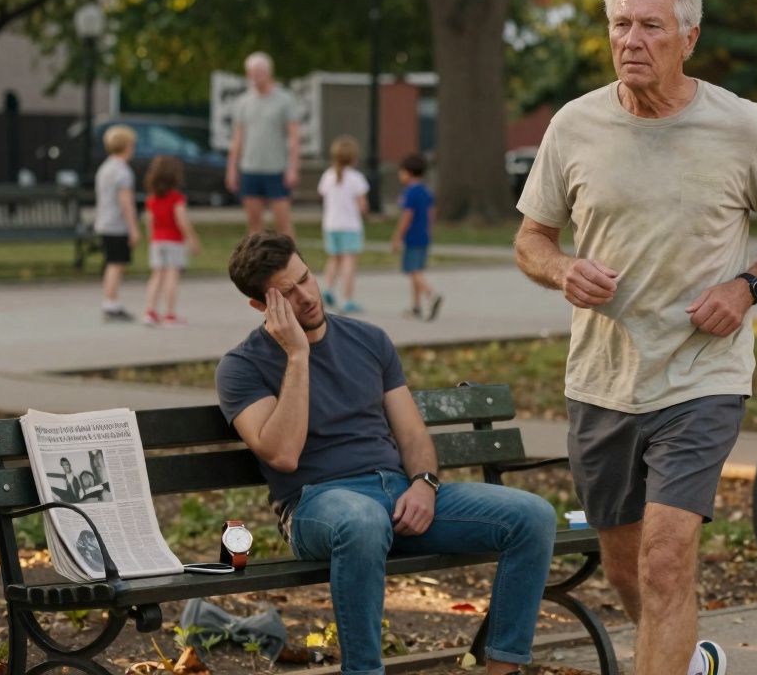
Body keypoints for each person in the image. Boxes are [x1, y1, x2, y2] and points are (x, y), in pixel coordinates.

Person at [513, 0, 757, 675]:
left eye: (651, 25)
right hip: (603, 378)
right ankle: (685, 660)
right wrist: (563, 269)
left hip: (701, 377)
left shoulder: (740, 127)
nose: (632, 40)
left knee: (665, 559)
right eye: (621, 24)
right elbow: (531, 239)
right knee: (627, 570)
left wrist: (744, 288)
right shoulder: (575, 125)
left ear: (690, 37)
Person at [215, 231, 555, 675]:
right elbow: (282, 455)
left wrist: (425, 485)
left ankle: (502, 670)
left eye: (306, 279)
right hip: (317, 504)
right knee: (362, 520)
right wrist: (297, 356)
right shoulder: (242, 366)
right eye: (287, 293)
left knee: (533, 517)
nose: (306, 297)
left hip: (396, 496)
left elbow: (412, 434)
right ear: (262, 307)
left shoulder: (368, 339)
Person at [225, 52, 300, 237]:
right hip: (250, 168)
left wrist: (293, 167)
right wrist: (232, 169)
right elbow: (237, 140)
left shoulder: (285, 100)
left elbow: (294, 137)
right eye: (251, 72)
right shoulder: (243, 102)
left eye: (259, 71)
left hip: (276, 169)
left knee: (283, 224)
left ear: (269, 72)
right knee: (254, 225)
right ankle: (255, 265)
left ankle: (294, 264)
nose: (255, 76)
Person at [142, 155, 202, 327]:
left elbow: (150, 222)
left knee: (156, 275)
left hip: (157, 241)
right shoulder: (176, 198)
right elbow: (181, 221)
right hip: (174, 241)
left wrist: (152, 239)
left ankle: (150, 312)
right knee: (171, 276)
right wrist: (193, 239)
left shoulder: (151, 199)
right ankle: (169, 314)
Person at [317, 135, 369, 314]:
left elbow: (323, 196)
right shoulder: (356, 178)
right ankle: (348, 299)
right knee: (348, 262)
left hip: (331, 225)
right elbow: (363, 205)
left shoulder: (328, 175)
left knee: (334, 259)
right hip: (350, 226)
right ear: (354, 158)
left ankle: (328, 289)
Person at [93, 124, 140, 322]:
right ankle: (111, 304)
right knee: (116, 263)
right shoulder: (123, 172)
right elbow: (126, 203)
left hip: (104, 221)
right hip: (117, 224)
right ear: (127, 146)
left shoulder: (106, 167)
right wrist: (133, 228)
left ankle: (110, 300)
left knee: (112, 262)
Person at [389, 153, 441, 320]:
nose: (400, 175)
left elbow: (407, 217)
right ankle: (416, 307)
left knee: (413, 270)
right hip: (424, 236)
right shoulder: (426, 191)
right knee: (416, 271)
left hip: (412, 237)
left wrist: (397, 237)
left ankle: (431, 295)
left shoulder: (410, 192)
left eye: (401, 172)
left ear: (408, 173)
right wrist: (429, 230)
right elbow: (431, 213)